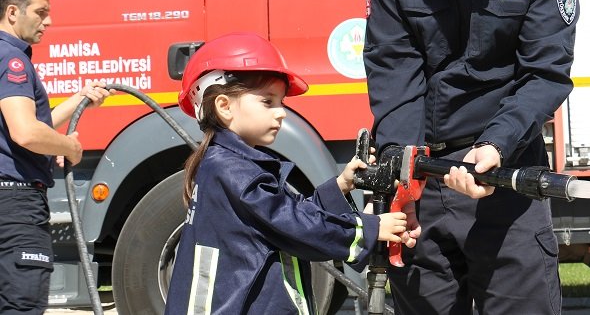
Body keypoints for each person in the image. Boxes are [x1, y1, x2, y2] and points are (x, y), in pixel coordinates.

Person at [363, 0, 578, 315]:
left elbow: (545, 72)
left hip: (506, 180)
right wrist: (403, 174)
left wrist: (495, 145)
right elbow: (394, 67)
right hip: (420, 181)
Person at [164, 32, 414, 314]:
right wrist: (370, 229)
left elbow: (281, 219)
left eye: (281, 102)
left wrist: (340, 186)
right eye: (268, 102)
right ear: (224, 107)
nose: (281, 112)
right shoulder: (233, 170)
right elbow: (294, 227)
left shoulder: (226, 164)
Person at [0, 0, 112, 313]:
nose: (49, 21)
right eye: (41, 12)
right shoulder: (12, 59)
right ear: (13, 13)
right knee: (21, 305)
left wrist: (79, 98)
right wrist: (69, 147)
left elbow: (26, 123)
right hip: (15, 204)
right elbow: (26, 132)